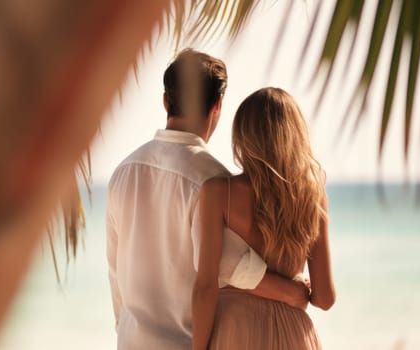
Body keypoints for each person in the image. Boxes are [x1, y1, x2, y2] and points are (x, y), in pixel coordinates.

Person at [106, 51, 310, 350]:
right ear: (217, 105)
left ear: (166, 101)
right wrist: (291, 292)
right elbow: (232, 264)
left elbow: (115, 273)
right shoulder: (214, 180)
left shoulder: (123, 171)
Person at [192, 87, 336, 350]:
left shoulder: (217, 192)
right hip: (295, 336)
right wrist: (298, 287)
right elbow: (325, 299)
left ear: (243, 136)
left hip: (235, 332)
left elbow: (205, 289)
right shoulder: (313, 197)